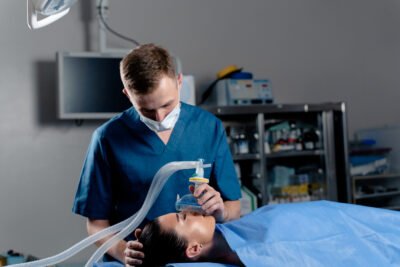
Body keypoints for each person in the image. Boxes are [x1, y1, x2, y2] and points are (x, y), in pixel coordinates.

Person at [72, 43, 241, 264]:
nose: (160, 117)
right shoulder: (108, 138)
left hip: (195, 261)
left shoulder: (208, 128)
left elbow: (234, 207)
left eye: (167, 105)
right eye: (147, 110)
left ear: (179, 82)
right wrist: (123, 251)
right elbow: (96, 223)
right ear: (128, 95)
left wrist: (221, 212)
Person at [126, 200, 400, 267]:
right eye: (183, 217)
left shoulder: (231, 230)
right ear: (193, 249)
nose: (190, 210)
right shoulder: (264, 253)